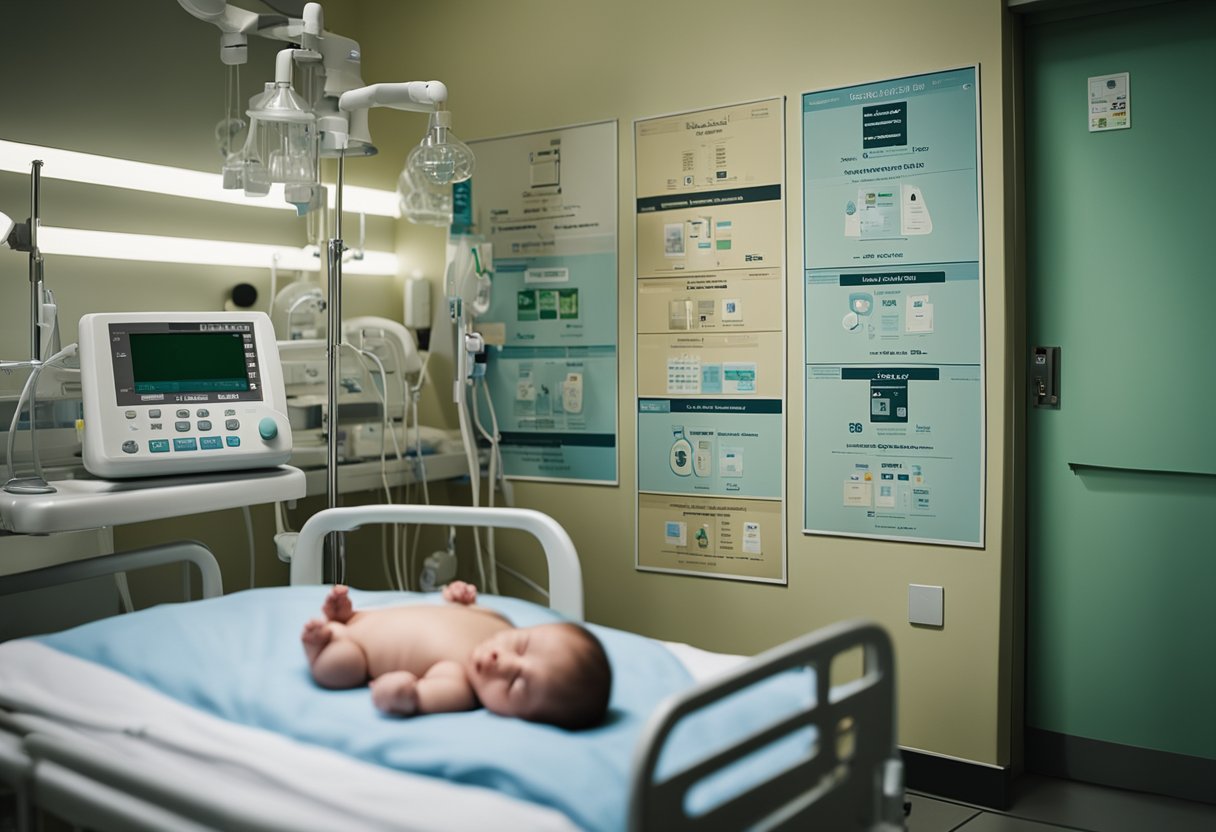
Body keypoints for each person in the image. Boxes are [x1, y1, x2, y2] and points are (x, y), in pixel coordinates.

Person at [300, 580, 611, 730]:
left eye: (515, 684)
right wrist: (460, 599)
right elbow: (459, 612)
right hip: (369, 618)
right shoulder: (499, 622)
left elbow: (414, 698)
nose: (500, 662)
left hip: (356, 650)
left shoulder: (459, 686)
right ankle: (346, 617)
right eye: (522, 646)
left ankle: (321, 645)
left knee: (342, 668)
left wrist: (398, 692)